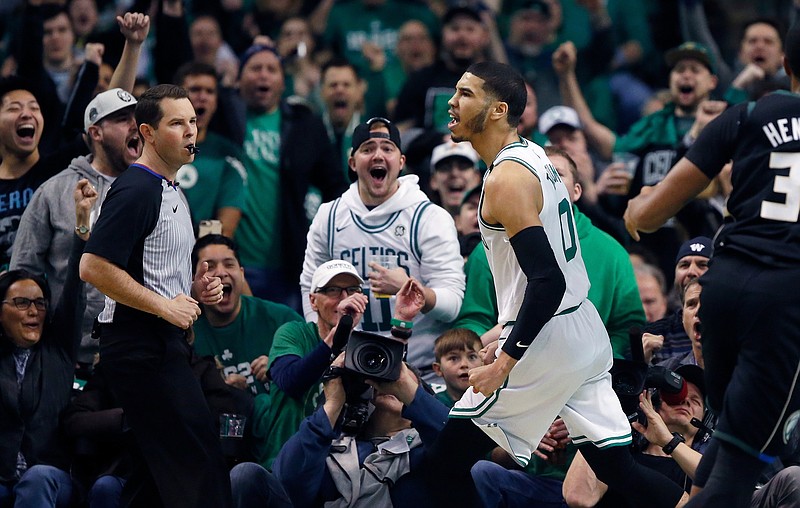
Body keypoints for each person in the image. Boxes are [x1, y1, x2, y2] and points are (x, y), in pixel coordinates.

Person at [424, 61, 685, 508]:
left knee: (440, 468)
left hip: (548, 337)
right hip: (582, 329)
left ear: (498, 110)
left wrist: (504, 361)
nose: (452, 101)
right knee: (616, 467)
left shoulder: (507, 177)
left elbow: (546, 281)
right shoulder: (534, 156)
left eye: (466, 94)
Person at [623, 21, 800, 507]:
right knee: (740, 466)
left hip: (721, 289)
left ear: (785, 64)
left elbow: (655, 210)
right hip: (782, 301)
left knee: (724, 440)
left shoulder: (745, 116)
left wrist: (637, 209)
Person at [79, 84, 232, 507]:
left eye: (194, 122)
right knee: (199, 466)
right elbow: (92, 266)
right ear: (146, 132)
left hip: (158, 342)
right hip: (140, 346)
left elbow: (148, 272)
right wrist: (165, 305)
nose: (190, 132)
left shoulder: (172, 191)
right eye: (177, 123)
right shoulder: (138, 189)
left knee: (158, 475)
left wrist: (191, 292)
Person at [299, 117, 465, 382]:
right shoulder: (328, 216)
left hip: (418, 369)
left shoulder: (429, 217)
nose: (378, 155)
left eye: (387, 148)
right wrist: (323, 341)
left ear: (401, 161)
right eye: (367, 148)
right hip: (348, 367)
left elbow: (452, 304)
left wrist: (413, 290)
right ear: (352, 162)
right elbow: (310, 286)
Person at [555, 38, 726, 280]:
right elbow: (594, 133)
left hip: (701, 243)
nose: (686, 75)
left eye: (695, 70)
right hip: (649, 246)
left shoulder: (725, 125)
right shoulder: (649, 129)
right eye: (679, 70)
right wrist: (567, 76)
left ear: (712, 82)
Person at [454, 146, 645, 360]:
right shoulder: (489, 248)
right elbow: (472, 322)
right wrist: (486, 351)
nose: (545, 181)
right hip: (508, 373)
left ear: (577, 191)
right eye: (534, 173)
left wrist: (598, 359)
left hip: (590, 377)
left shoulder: (611, 251)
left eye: (557, 174)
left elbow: (627, 325)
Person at [10, 87, 140, 371]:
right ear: (96, 133)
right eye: (121, 119)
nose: (135, 125)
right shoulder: (53, 191)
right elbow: (23, 273)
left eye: (136, 117)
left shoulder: (160, 191)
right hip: (66, 355)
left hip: (138, 351)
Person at [0, 179, 94, 507]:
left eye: (39, 303)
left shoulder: (58, 349)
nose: (33, 312)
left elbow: (74, 287)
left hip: (51, 478)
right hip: (3, 476)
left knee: (36, 480)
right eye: (22, 303)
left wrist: (82, 226)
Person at [233, 42, 348, 307]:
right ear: (238, 79)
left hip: (289, 264)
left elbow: (334, 185)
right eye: (255, 68)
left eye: (271, 69)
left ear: (283, 82)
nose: (263, 75)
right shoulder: (226, 117)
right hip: (234, 263)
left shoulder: (305, 126)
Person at [253, 259, 368, 469]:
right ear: (313, 301)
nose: (344, 298)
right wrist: (338, 335)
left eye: (352, 290)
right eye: (333, 290)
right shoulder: (293, 333)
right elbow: (290, 382)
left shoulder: (363, 348)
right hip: (286, 463)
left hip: (340, 468)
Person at [191, 234, 303, 396]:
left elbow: (318, 365)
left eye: (229, 264)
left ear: (242, 274)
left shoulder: (280, 319)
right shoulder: (187, 332)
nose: (221, 273)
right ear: (195, 279)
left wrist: (282, 368)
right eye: (210, 267)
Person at [174, 62, 246, 237]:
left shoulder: (229, 156)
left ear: (215, 102)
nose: (203, 97)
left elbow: (225, 227)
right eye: (195, 89)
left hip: (200, 258)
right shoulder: (154, 148)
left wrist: (187, 239)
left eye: (210, 92)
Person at [642, 236, 711, 366]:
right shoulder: (651, 334)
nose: (691, 271)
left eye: (702, 265)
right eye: (684, 265)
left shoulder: (737, 331)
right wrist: (641, 363)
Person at [428, 139, 482, 218]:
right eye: (445, 168)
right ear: (433, 181)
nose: (454, 173)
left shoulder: (495, 222)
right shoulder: (423, 225)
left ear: (477, 178)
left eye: (463, 167)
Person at [430, 328, 483, 408]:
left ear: (484, 363)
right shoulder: (433, 404)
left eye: (472, 357)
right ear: (438, 369)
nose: (464, 364)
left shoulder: (494, 401)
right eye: (454, 358)